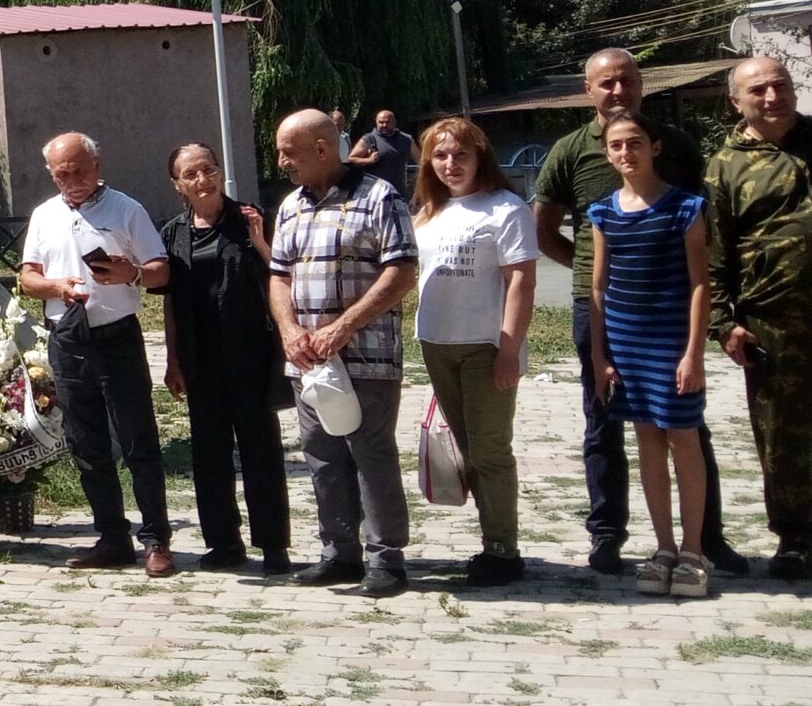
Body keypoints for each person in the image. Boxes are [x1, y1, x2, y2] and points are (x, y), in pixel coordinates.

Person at [533, 48, 743, 576]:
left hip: (669, 307)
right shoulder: (570, 149)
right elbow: (544, 230)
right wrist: (592, 272)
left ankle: (705, 538)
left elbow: (701, 224)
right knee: (603, 421)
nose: (618, 90)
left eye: (627, 80)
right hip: (601, 308)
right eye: (606, 82)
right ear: (588, 90)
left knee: (685, 422)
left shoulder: (673, 144)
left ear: (641, 84)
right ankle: (607, 533)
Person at [268, 110, 418, 597]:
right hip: (308, 359)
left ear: (321, 148)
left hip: (367, 355)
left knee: (371, 453)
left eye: (288, 152)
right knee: (322, 454)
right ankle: (339, 551)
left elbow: (402, 271)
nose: (281, 161)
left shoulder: (379, 197)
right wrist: (289, 329)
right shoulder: (290, 206)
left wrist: (344, 326)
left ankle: (386, 559)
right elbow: (279, 276)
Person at [19, 133, 174, 574]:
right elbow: (28, 278)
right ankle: (112, 538)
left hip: (116, 337)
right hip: (67, 338)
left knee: (137, 440)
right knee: (86, 444)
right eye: (62, 174)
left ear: (98, 165)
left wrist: (132, 273)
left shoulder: (126, 209)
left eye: (80, 171)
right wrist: (56, 287)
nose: (73, 181)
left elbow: (161, 271)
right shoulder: (44, 215)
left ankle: (156, 539)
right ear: (51, 174)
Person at [590, 113, 715, 599]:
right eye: (617, 145)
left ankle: (693, 550)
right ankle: (663, 547)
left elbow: (700, 283)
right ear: (608, 154)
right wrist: (599, 355)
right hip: (627, 341)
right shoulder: (603, 212)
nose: (626, 152)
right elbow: (599, 288)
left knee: (684, 437)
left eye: (635, 143)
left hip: (672, 340)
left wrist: (693, 354)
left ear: (654, 147)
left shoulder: (685, 207)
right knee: (646, 438)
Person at [410, 118, 537, 588]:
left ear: (480, 156)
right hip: (436, 344)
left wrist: (509, 349)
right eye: (440, 156)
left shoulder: (506, 208)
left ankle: (503, 550)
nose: (450, 164)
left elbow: (521, 281)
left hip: (486, 346)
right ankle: (490, 541)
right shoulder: (427, 212)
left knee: (489, 450)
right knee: (466, 450)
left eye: (460, 154)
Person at [156, 143, 291, 575]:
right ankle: (224, 543)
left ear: (219, 173)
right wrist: (173, 359)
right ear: (177, 184)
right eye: (191, 174)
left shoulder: (250, 218)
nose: (203, 180)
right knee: (210, 455)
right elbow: (170, 302)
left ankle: (273, 545)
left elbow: (282, 274)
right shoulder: (173, 233)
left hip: (250, 354)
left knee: (260, 451)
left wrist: (261, 242)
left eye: (209, 170)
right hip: (200, 360)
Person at [707, 56, 812, 581]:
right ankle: (795, 539)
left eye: (781, 85)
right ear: (737, 102)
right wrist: (723, 323)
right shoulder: (725, 165)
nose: (773, 97)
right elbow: (714, 252)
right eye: (759, 90)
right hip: (774, 318)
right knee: (782, 435)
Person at [349, 109, 419, 199]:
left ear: (394, 122)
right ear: (376, 122)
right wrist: (368, 160)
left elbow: (421, 160)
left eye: (387, 122)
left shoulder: (406, 139)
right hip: (374, 194)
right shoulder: (369, 139)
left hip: (398, 192)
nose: (384, 125)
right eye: (381, 122)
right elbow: (351, 159)